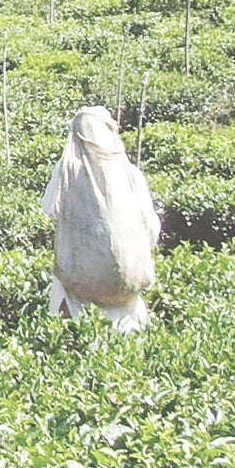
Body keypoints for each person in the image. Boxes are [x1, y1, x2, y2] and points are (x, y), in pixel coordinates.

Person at [44, 106, 162, 333]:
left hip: (79, 288)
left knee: (71, 330)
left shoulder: (67, 170)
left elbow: (50, 208)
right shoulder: (130, 173)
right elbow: (150, 224)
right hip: (126, 286)